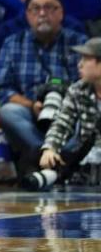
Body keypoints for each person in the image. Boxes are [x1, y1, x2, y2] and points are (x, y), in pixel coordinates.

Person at [0, 0, 86, 174]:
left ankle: (56, 158)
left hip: (70, 112)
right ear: (27, 15)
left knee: (89, 117)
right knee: (8, 112)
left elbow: (89, 86)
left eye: (50, 8)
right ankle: (46, 155)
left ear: (61, 13)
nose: (42, 13)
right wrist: (32, 105)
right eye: (35, 9)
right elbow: (2, 88)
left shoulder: (79, 42)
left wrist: (67, 105)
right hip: (30, 113)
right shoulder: (13, 43)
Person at [22, 37, 101, 190]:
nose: (80, 64)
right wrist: (50, 148)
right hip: (87, 155)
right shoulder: (78, 89)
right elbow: (62, 123)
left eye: (86, 59)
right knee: (34, 155)